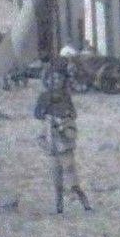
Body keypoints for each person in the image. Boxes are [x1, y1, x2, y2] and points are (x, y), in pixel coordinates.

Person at [34, 62, 92, 214]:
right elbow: (37, 113)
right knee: (56, 179)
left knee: (72, 178)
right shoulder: (44, 96)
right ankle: (59, 208)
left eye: (59, 79)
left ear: (63, 80)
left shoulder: (66, 96)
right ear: (47, 80)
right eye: (52, 79)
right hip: (50, 138)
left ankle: (85, 203)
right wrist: (47, 115)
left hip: (65, 139)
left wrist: (64, 121)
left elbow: (73, 114)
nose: (55, 82)